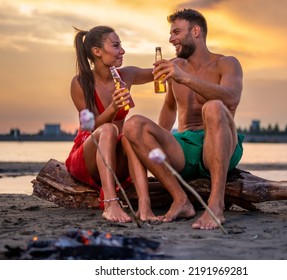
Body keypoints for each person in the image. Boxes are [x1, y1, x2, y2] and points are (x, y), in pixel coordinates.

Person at [123, 9, 244, 230]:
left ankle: (215, 205)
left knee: (214, 107)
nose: (171, 39)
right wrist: (153, 143)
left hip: (219, 144)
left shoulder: (226, 63)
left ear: (196, 31)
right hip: (184, 147)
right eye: (170, 33)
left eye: (176, 32)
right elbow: (169, 107)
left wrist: (184, 78)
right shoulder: (173, 66)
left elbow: (232, 98)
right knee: (133, 125)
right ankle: (181, 200)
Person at [65, 26, 153, 223]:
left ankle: (145, 206)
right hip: (89, 155)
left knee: (131, 134)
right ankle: (111, 203)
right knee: (108, 128)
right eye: (116, 45)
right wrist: (113, 108)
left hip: (117, 157)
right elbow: (91, 127)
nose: (122, 50)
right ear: (97, 51)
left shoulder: (126, 75)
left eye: (121, 45)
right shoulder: (80, 83)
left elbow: (160, 72)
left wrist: (182, 55)